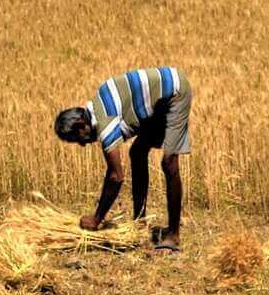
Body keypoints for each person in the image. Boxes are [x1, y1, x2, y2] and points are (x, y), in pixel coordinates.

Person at [53, 67, 192, 251]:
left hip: (174, 92)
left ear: (81, 124)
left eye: (78, 139)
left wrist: (96, 219)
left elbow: (116, 176)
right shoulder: (97, 104)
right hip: (157, 102)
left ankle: (173, 235)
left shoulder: (105, 121)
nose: (83, 145)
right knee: (137, 152)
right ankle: (139, 221)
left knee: (169, 162)